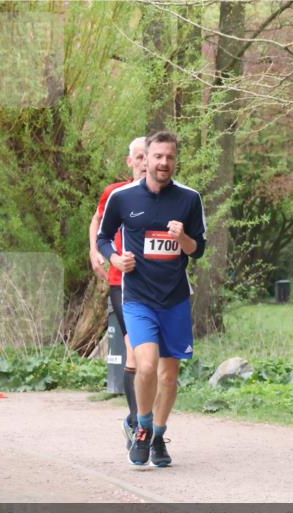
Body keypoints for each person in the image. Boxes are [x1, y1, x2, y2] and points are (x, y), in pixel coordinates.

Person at [96, 131, 207, 467]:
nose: (163, 163)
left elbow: (198, 249)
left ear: (176, 160)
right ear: (145, 159)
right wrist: (115, 259)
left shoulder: (189, 199)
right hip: (138, 297)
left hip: (175, 300)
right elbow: (103, 238)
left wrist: (183, 237)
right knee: (145, 365)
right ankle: (142, 427)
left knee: (169, 375)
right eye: (157, 157)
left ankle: (159, 435)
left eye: (169, 157)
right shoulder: (124, 198)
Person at [89, 137, 146, 443]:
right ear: (130, 162)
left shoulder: (166, 196)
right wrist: (94, 252)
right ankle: (139, 424)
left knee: (151, 354)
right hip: (120, 281)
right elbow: (97, 222)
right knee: (135, 345)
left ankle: (136, 419)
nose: (143, 163)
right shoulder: (115, 193)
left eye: (146, 157)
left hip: (154, 284)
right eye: (138, 157)